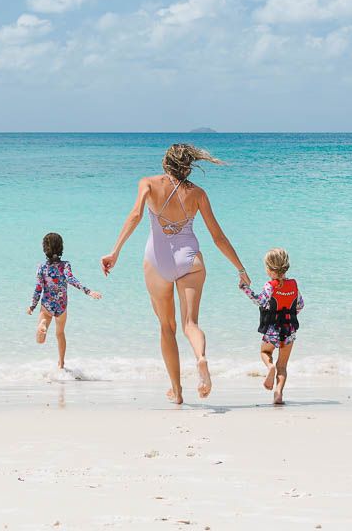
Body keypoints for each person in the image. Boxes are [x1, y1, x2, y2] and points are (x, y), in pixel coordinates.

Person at [100, 144, 250, 404]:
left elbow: (135, 215)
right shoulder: (199, 194)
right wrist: (240, 268)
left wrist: (115, 251)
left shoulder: (147, 183)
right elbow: (218, 236)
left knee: (166, 328)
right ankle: (201, 358)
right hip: (191, 259)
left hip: (157, 260)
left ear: (165, 163)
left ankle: (177, 392)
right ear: (189, 165)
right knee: (190, 324)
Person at [239, 248, 303, 405]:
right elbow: (300, 305)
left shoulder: (270, 285)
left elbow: (259, 301)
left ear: (269, 268)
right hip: (289, 330)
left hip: (272, 329)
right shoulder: (293, 284)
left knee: (265, 351)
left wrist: (244, 288)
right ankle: (278, 393)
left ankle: (269, 367)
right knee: (283, 365)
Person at [28, 232, 102, 369]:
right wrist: (88, 291)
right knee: (60, 333)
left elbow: (38, 288)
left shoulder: (41, 268)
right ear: (61, 248)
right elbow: (71, 279)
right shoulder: (66, 265)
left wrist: (32, 306)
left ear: (45, 249)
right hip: (61, 306)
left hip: (47, 305)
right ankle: (61, 363)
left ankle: (43, 323)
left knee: (40, 341)